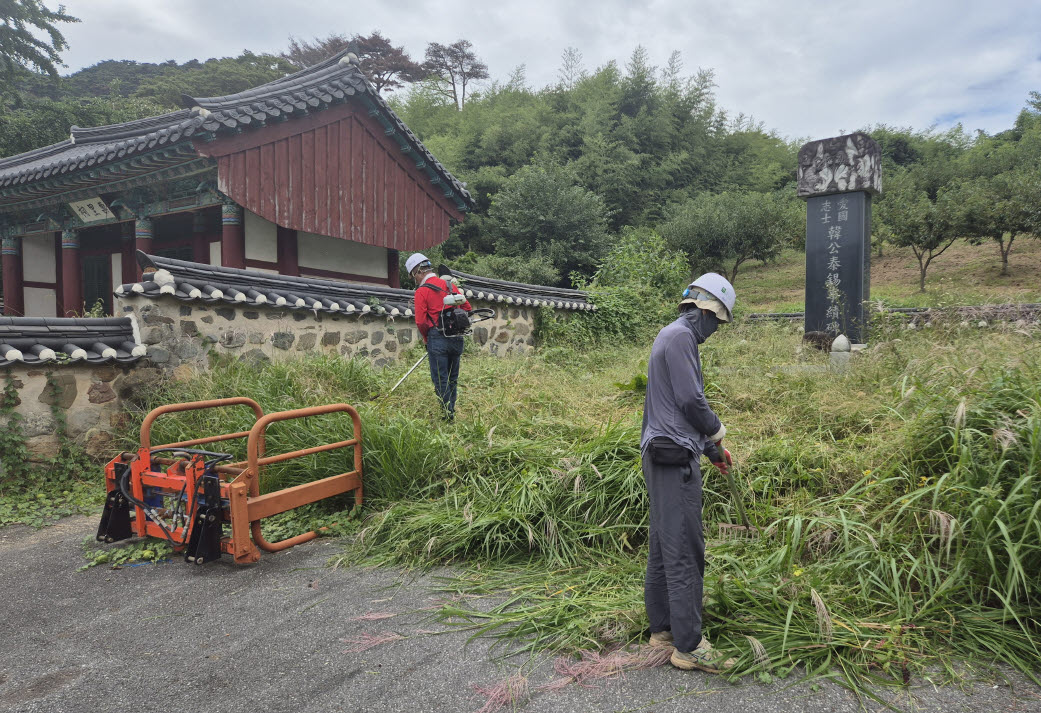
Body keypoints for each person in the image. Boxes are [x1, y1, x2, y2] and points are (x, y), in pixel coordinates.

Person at [641, 272, 738, 673]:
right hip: (673, 457)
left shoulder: (672, 335)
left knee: (665, 544)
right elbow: (690, 400)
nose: (716, 329)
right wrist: (717, 430)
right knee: (684, 550)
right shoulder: (682, 337)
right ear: (703, 310)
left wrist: (713, 449)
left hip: (664, 450)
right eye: (717, 320)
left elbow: (676, 407)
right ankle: (689, 645)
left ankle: (662, 629)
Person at [406, 253, 472, 420]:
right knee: (452, 378)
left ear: (417, 272)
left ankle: (447, 415)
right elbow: (467, 307)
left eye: (413, 275)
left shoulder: (422, 291)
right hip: (456, 337)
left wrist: (427, 338)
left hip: (437, 338)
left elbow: (421, 321)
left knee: (440, 378)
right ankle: (451, 410)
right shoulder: (449, 285)